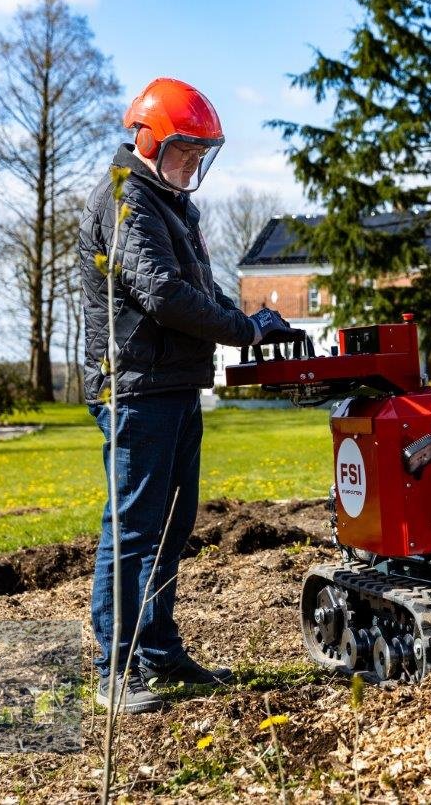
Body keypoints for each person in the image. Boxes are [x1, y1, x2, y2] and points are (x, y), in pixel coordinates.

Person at [79, 77, 300, 713]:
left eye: (202, 154)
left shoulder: (174, 205)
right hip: (134, 388)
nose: (194, 164)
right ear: (149, 141)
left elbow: (196, 288)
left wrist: (251, 322)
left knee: (172, 526)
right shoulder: (128, 203)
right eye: (185, 151)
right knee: (132, 526)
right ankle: (112, 670)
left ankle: (158, 651)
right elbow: (164, 296)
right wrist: (239, 330)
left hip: (174, 386)